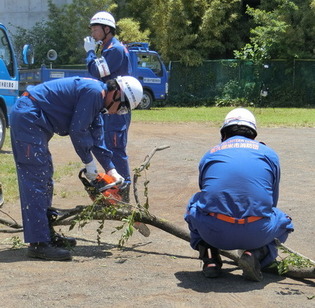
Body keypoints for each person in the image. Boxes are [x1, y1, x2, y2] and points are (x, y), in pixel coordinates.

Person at [10, 75, 143, 261]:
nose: (117, 113)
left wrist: (111, 170)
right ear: (117, 93)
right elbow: (78, 130)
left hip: (34, 118)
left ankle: (46, 235)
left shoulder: (98, 101)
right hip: (29, 116)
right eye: (122, 108)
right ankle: (39, 244)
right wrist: (89, 164)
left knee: (45, 177)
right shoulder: (94, 93)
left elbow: (97, 138)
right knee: (36, 178)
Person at [184, 108, 294, 281]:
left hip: (214, 233)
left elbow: (207, 197)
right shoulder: (269, 154)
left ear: (224, 134)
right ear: (253, 134)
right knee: (284, 222)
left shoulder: (210, 154)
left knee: (194, 204)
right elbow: (272, 202)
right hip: (258, 232)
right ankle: (255, 254)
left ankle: (210, 258)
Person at [84, 11, 133, 202]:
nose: (93, 33)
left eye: (95, 29)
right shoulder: (108, 48)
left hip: (117, 106)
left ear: (107, 29)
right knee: (108, 146)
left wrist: (89, 52)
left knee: (115, 147)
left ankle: (124, 194)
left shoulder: (115, 49)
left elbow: (97, 71)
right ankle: (115, 192)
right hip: (110, 105)